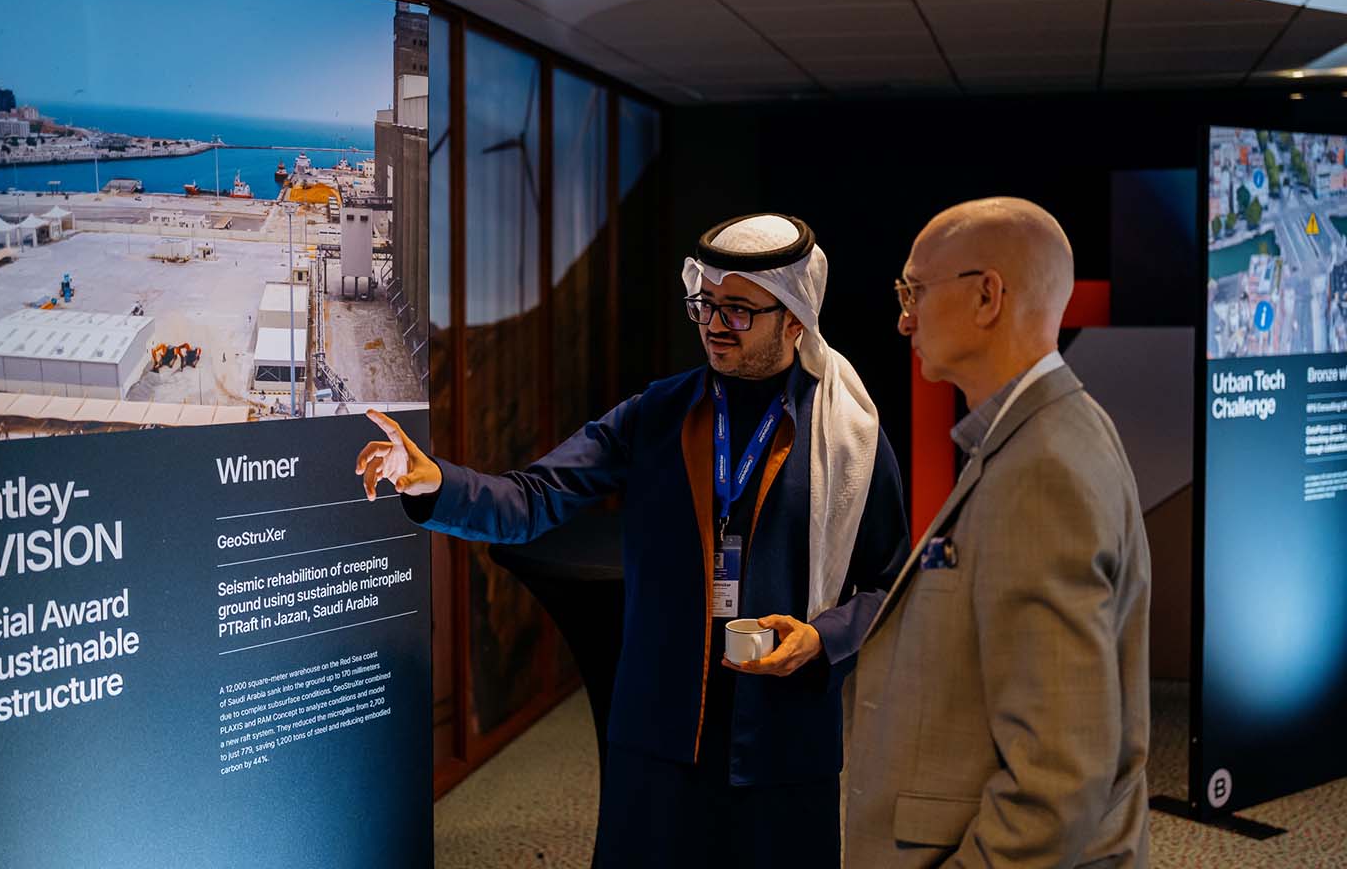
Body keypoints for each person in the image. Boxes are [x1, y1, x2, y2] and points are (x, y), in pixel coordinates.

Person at [356, 214, 909, 868]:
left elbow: (889, 584)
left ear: (793, 320)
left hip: (784, 742)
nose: (714, 324)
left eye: (737, 311)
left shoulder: (847, 436)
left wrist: (821, 639)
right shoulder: (657, 414)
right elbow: (531, 501)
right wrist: (433, 483)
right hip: (660, 737)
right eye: (704, 304)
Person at [844, 197, 1150, 867]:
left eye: (914, 292)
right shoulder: (1055, 431)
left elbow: (1056, 781)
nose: (903, 319)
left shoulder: (1042, 469)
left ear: (987, 296)